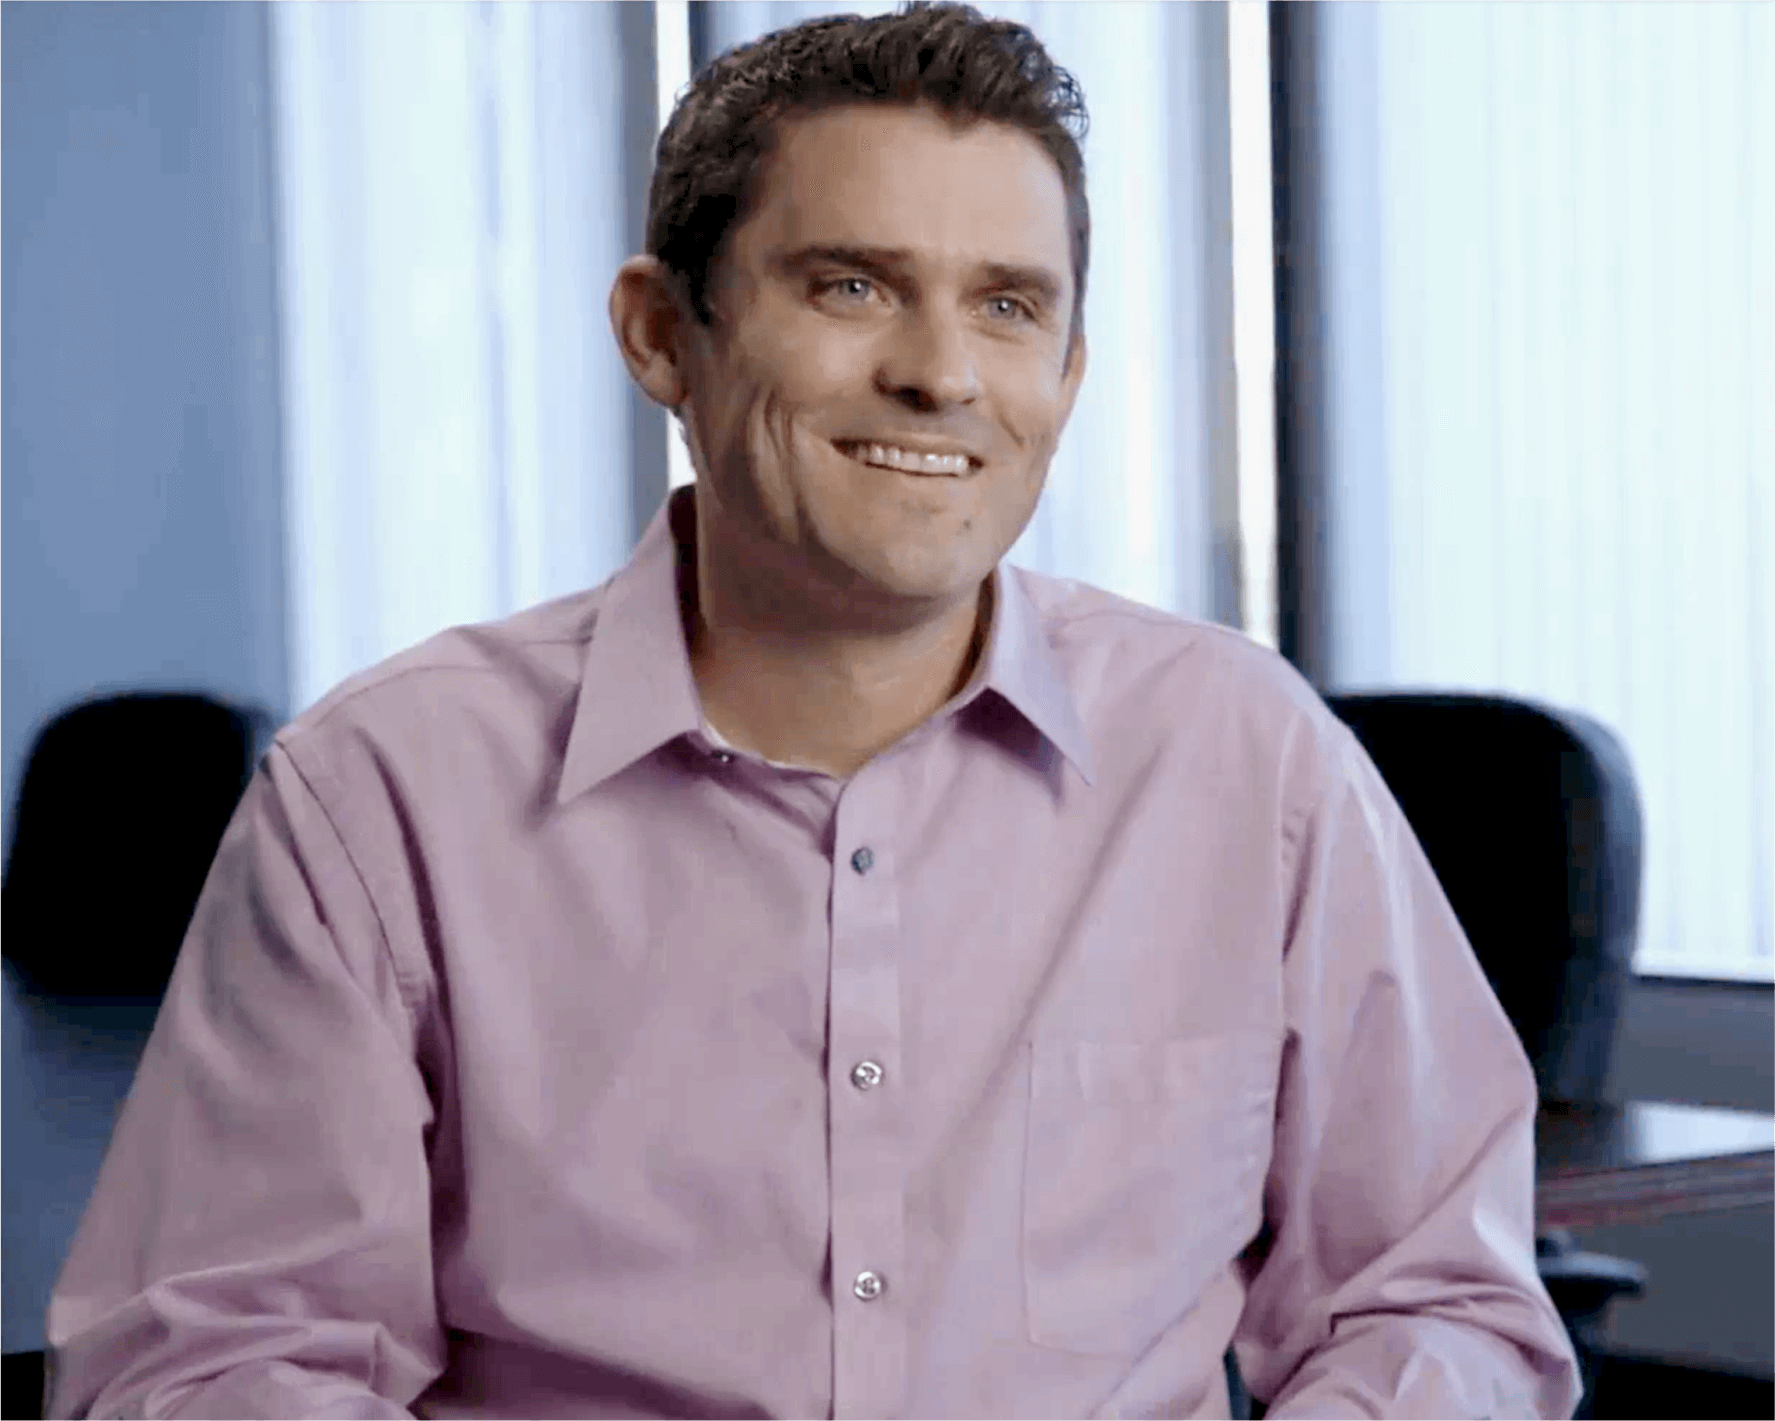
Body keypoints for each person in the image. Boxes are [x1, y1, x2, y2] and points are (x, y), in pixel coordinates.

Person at [45, 4, 1583, 1418]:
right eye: (849, 285)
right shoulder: (385, 794)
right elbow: (214, 1358)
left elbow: (1432, 1300)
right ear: (661, 334)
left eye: (1004, 305)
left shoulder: (1250, 765)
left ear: (1066, 366)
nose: (937, 375)